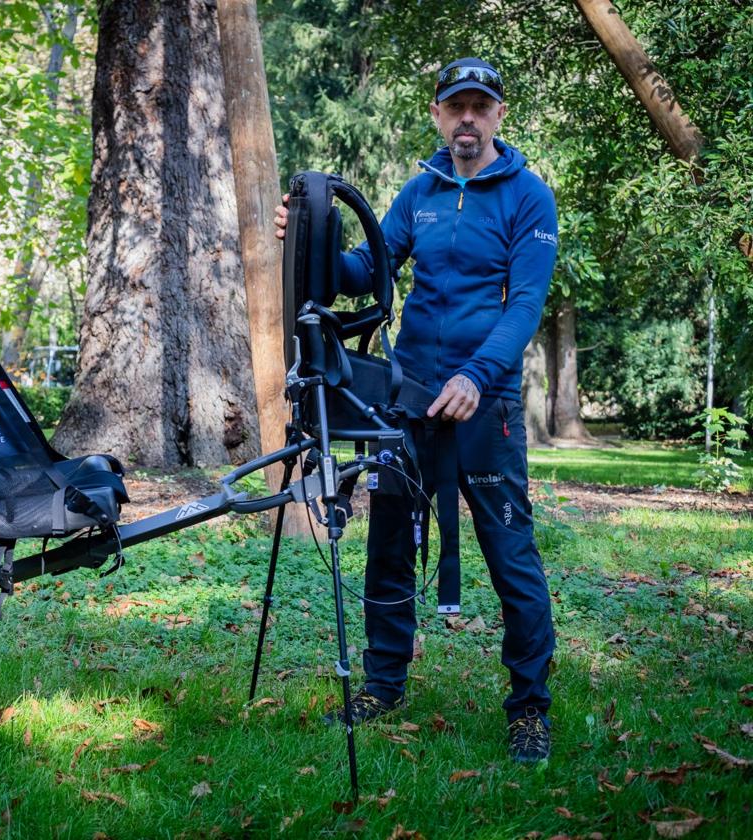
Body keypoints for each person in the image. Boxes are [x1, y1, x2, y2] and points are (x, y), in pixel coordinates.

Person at [274, 57, 558, 762]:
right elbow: (364, 272)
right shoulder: (419, 193)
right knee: (390, 540)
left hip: (483, 401)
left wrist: (477, 373)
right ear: (437, 114)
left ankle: (529, 706)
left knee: (510, 552)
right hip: (410, 399)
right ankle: (384, 680)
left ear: (498, 115)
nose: (467, 118)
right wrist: (308, 237)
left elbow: (524, 303)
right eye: (455, 106)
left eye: (480, 107)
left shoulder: (528, 197)